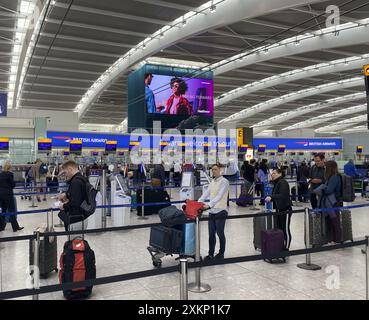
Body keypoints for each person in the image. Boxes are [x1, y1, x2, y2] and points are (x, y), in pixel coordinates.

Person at [198, 164, 230, 260]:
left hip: (221, 211)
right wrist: (198, 202)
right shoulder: (212, 181)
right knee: (211, 234)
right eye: (212, 170)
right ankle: (210, 254)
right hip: (212, 212)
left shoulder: (225, 182)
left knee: (220, 233)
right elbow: (206, 193)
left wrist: (209, 205)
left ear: (220, 170)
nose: (214, 171)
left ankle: (221, 254)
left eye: (216, 169)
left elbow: (219, 196)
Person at [313, 160, 342, 243]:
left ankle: (337, 240)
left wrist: (322, 188)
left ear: (330, 168)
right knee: (331, 221)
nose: (324, 168)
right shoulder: (331, 177)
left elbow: (329, 190)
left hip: (333, 202)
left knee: (335, 221)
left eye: (326, 166)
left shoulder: (334, 177)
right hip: (331, 202)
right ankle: (332, 239)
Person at [265, 169, 292, 249]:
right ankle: (281, 246)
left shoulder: (283, 182)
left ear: (280, 174)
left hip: (285, 208)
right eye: (272, 173)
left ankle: (286, 248)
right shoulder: (277, 183)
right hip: (279, 208)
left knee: (285, 229)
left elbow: (283, 195)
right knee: (280, 229)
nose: (272, 175)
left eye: (274, 173)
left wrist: (271, 197)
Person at [57, 161, 88, 232]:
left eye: (65, 172)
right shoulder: (82, 178)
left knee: (74, 240)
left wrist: (63, 206)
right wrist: (66, 195)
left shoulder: (76, 182)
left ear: (70, 169)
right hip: (81, 217)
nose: (65, 175)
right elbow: (79, 197)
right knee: (77, 239)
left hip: (76, 219)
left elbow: (76, 203)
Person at [0, 162, 24, 232]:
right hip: (8, 195)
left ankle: (1, 226)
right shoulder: (10, 174)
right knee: (11, 210)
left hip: (1, 195)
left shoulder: (0, 174)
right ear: (9, 167)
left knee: (3, 211)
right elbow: (13, 185)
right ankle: (15, 227)